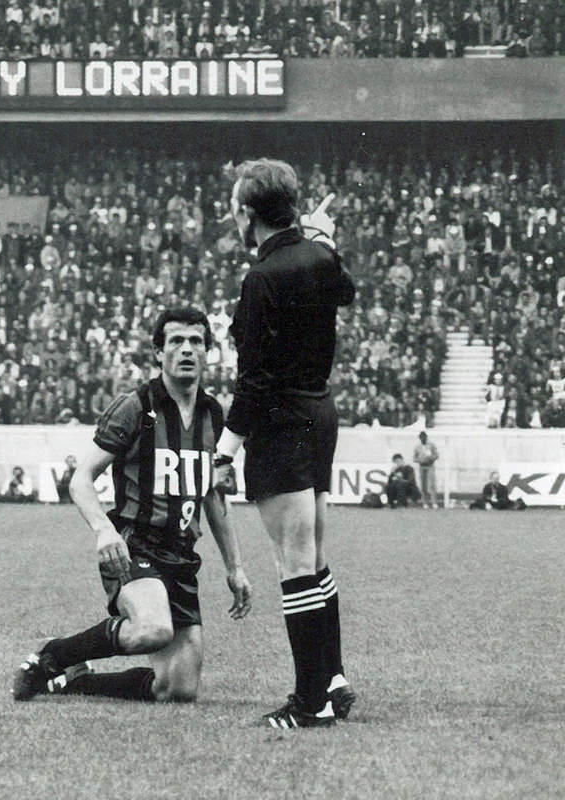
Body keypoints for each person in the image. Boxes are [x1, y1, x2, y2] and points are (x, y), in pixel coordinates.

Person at [12, 307, 252, 705]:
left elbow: (212, 494)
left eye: (196, 341)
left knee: (177, 689)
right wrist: (102, 529)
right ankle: (52, 656)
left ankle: (76, 681)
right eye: (176, 341)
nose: (187, 349)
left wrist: (235, 567)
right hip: (134, 545)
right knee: (153, 629)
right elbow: (82, 479)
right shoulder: (136, 406)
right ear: (159, 353)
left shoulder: (213, 415)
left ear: (208, 352)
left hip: (181, 557)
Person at [211, 159, 356, 729]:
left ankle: (309, 701)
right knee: (314, 558)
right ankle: (333, 678)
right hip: (320, 414)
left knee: (292, 563)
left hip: (281, 422)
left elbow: (255, 379)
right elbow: (344, 290)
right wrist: (319, 238)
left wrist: (225, 449)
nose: (230, 213)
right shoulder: (319, 258)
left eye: (233, 205)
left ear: (248, 213)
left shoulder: (262, 278)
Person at [413, 431, 440, 508]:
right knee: (423, 485)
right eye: (421, 438)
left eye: (424, 437)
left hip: (430, 466)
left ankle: (434, 502)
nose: (423, 439)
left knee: (432, 484)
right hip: (422, 467)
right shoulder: (417, 447)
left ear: (426, 437)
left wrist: (430, 458)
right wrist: (420, 460)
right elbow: (414, 458)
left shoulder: (431, 446)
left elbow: (437, 455)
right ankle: (425, 502)